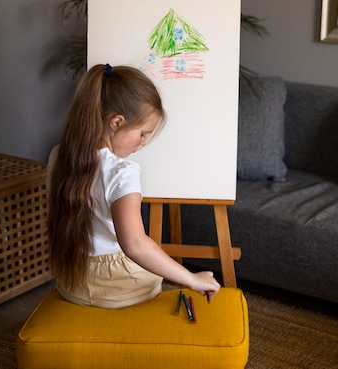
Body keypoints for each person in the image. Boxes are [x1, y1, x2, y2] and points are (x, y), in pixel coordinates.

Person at [46, 63, 221, 309]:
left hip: (70, 280)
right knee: (154, 277)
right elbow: (135, 244)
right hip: (114, 287)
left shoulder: (58, 156)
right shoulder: (122, 172)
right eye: (142, 133)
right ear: (116, 122)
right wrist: (192, 278)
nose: (142, 143)